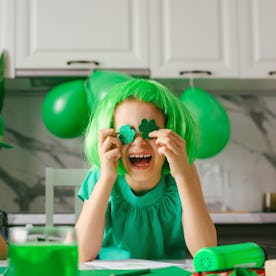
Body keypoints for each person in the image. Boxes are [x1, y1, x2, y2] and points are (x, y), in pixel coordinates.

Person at [76, 79, 217, 262]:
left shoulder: (183, 172)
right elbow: (82, 253)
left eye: (150, 132)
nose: (139, 142)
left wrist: (183, 176)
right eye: (127, 133)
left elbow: (205, 251)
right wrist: (107, 178)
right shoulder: (99, 176)